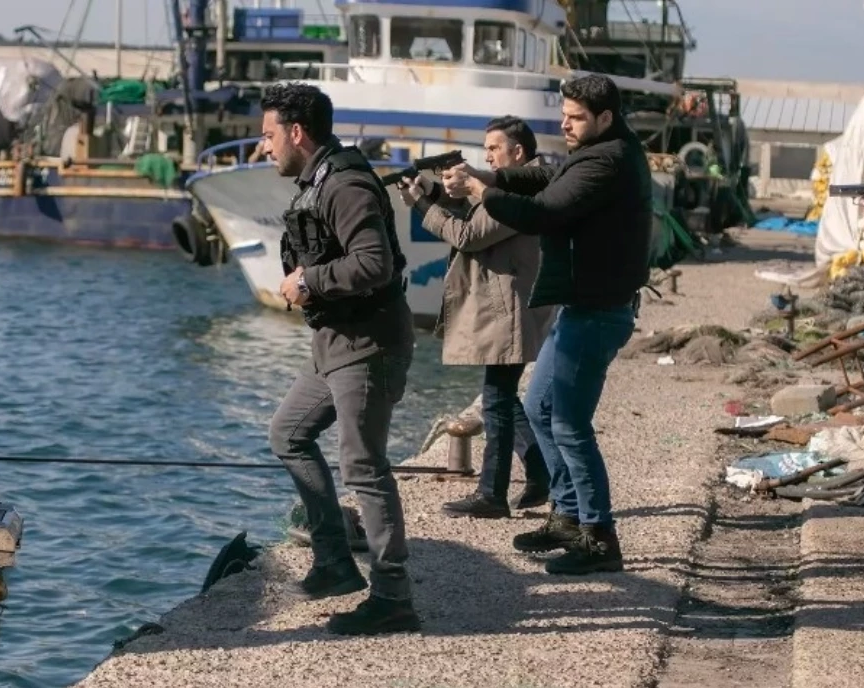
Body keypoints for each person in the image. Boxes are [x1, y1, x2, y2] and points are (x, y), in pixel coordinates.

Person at [442, 74, 652, 575]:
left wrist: (479, 190)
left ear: (604, 118)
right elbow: (546, 177)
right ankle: (566, 516)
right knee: (538, 405)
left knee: (570, 424)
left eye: (576, 117)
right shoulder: (600, 150)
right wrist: (490, 177)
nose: (565, 123)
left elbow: (544, 211)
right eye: (565, 114)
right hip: (582, 306)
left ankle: (599, 539)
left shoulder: (610, 159)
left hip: (598, 310)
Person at [261, 82, 420, 636]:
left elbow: (374, 264)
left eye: (269, 135)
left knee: (364, 465)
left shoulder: (345, 185)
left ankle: (393, 597)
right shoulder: (317, 181)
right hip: (335, 343)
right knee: (288, 433)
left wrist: (309, 279)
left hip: (369, 345)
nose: (265, 147)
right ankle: (333, 564)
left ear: (296, 133)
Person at [395, 116, 555, 518]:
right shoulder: (518, 182)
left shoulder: (523, 190)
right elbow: (475, 203)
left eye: (493, 150)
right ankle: (539, 473)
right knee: (501, 397)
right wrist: (434, 189)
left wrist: (421, 205)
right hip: (510, 303)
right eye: (484, 150)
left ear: (517, 152)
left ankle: (492, 495)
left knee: (497, 400)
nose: (486, 158)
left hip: (509, 306)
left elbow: (469, 234)